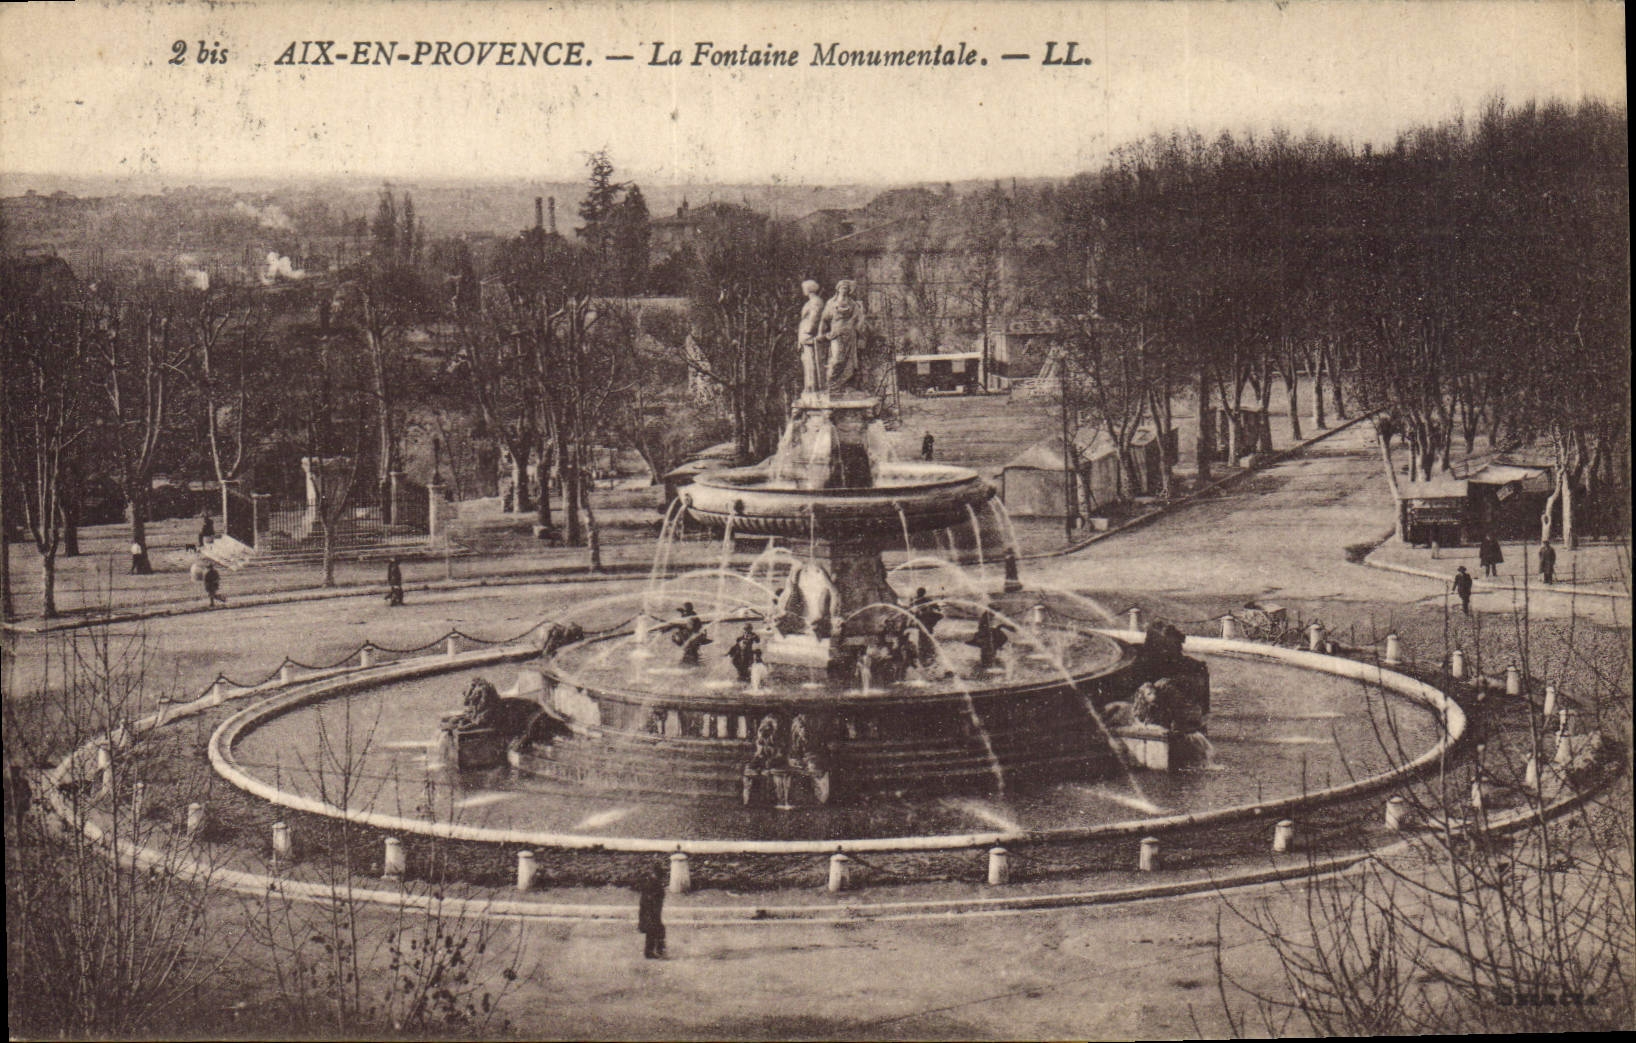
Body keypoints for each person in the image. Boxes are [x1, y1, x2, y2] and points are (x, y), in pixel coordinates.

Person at [819, 280, 865, 393]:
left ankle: (844, 385)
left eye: (847, 288)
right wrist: (820, 333)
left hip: (850, 335)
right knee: (837, 360)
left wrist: (861, 335)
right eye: (842, 287)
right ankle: (831, 384)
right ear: (838, 289)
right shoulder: (831, 303)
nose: (844, 290)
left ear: (849, 291)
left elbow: (860, 318)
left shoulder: (852, 304)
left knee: (849, 361)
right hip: (836, 334)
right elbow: (824, 319)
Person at [797, 279, 825, 396]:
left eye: (804, 288)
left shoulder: (816, 301)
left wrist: (808, 332)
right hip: (804, 334)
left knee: (810, 360)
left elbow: (815, 318)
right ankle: (809, 386)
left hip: (809, 336)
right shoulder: (810, 302)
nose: (803, 290)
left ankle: (812, 386)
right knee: (806, 360)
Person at [635, 865, 667, 959]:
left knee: (656, 931)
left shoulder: (650, 882)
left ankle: (656, 950)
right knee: (654, 931)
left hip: (650, 912)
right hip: (651, 912)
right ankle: (653, 951)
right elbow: (651, 900)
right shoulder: (653, 884)